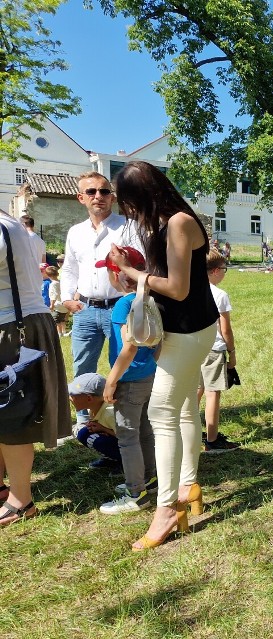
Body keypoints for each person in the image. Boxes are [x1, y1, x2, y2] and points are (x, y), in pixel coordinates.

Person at [108, 160, 219, 551]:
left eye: (128, 203)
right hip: (182, 329)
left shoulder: (178, 223)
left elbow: (177, 288)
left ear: (142, 196)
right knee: (184, 408)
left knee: (161, 413)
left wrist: (131, 271)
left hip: (189, 332)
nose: (126, 211)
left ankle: (167, 509)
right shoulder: (164, 223)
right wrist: (131, 268)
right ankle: (189, 487)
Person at [0, 213, 72, 525]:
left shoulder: (3, 227)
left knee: (12, 414)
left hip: (13, 327)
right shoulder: (11, 223)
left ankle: (20, 500)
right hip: (15, 322)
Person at [61, 171, 134, 427]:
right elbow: (69, 268)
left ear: (112, 197)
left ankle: (122, 418)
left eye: (104, 191)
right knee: (83, 366)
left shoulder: (127, 226)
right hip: (86, 309)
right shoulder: (76, 232)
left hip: (119, 308)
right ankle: (83, 419)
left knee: (123, 365)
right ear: (81, 198)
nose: (98, 196)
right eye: (91, 192)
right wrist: (67, 298)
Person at [93, 247, 158, 513]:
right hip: (148, 375)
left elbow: (128, 347)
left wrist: (111, 381)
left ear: (118, 274)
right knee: (145, 431)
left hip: (129, 380)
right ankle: (150, 480)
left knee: (127, 437)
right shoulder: (149, 299)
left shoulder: (123, 304)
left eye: (109, 271)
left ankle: (136, 493)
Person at [197, 249, 240, 453]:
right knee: (212, 394)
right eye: (224, 269)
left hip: (192, 348)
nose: (224, 273)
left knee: (195, 392)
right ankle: (212, 440)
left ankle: (188, 433)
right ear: (214, 271)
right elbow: (225, 330)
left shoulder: (190, 289)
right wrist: (231, 352)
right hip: (213, 349)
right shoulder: (219, 294)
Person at [45, 266, 68, 336]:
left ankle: (59, 333)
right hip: (63, 304)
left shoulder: (53, 284)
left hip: (57, 305)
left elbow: (54, 295)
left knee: (56, 320)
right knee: (62, 319)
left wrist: (52, 305)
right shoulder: (60, 282)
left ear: (48, 275)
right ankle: (64, 332)